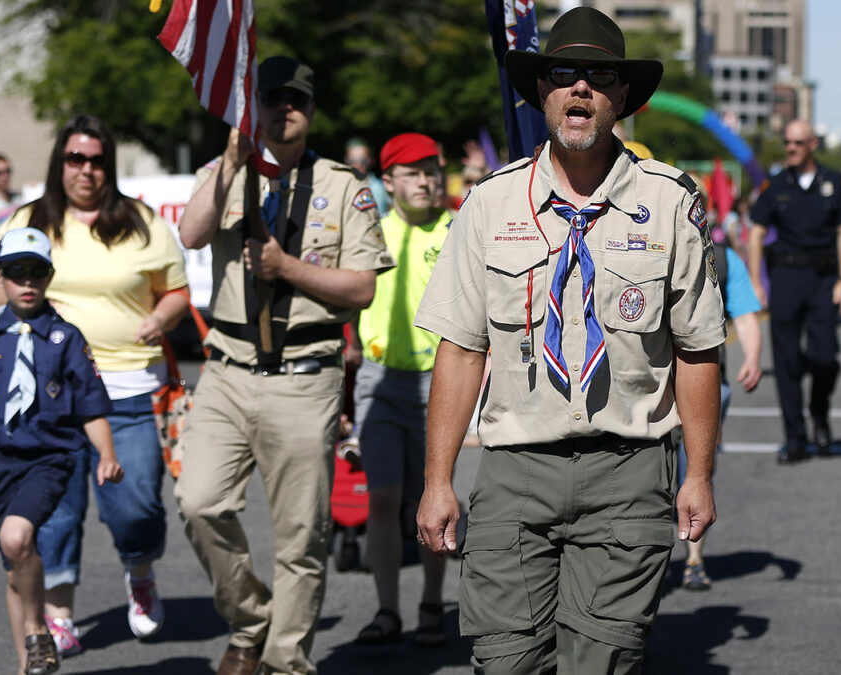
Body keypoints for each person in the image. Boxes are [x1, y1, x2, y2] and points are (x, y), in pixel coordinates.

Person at [413, 7, 725, 672]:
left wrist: (698, 473)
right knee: (506, 661)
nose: (579, 88)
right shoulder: (492, 204)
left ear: (620, 97)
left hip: (629, 470)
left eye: (599, 75)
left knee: (599, 663)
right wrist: (437, 479)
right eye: (563, 73)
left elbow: (697, 348)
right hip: (515, 471)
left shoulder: (669, 201)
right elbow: (462, 349)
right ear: (542, 93)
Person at [175, 55, 393, 675]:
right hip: (226, 369)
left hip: (305, 375)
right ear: (254, 107)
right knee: (199, 502)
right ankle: (249, 621)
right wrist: (230, 163)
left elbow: (361, 289)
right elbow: (191, 235)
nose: (282, 109)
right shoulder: (225, 173)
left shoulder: (342, 185)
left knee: (301, 538)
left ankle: (284, 659)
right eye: (271, 98)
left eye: (294, 99)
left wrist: (287, 269)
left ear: (310, 109)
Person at [0, 115, 190, 655]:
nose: (86, 169)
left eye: (96, 160)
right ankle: (59, 612)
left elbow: (177, 291)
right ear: (59, 163)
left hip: (128, 385)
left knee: (137, 503)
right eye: (76, 158)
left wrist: (159, 320)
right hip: (42, 398)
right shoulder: (28, 221)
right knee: (55, 511)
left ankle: (139, 572)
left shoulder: (141, 221)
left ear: (108, 166)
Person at [0, 227, 122, 675]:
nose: (27, 281)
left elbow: (90, 405)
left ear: (50, 276)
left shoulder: (66, 338)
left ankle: (39, 627)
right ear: (0, 276)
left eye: (36, 272)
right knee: (13, 567)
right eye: (16, 272)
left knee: (16, 539)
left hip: (48, 458)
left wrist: (108, 454)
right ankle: (29, 667)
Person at [349, 132, 452, 647]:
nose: (426, 180)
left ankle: (432, 603)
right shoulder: (370, 233)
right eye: (413, 172)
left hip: (440, 383)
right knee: (383, 497)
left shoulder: (456, 228)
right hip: (380, 381)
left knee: (431, 498)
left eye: (432, 170)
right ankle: (386, 610)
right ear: (387, 181)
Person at [748, 120, 841, 463]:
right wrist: (755, 281)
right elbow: (756, 232)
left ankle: (819, 411)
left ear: (812, 144)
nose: (790, 148)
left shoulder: (834, 184)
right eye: (787, 142)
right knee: (787, 362)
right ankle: (795, 439)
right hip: (786, 278)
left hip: (824, 278)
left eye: (797, 143)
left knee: (825, 358)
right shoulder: (776, 185)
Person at [679, 218, 763, 591]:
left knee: (695, 470)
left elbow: (745, 316)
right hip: (646, 388)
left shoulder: (724, 260)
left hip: (709, 384)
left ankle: (694, 560)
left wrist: (753, 356)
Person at [344, 138, 392, 219]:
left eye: (363, 161)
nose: (357, 165)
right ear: (346, 160)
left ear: (371, 161)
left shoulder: (379, 188)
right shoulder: (340, 186)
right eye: (352, 161)